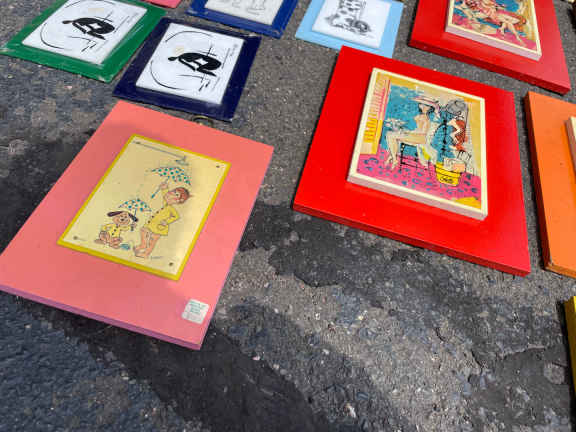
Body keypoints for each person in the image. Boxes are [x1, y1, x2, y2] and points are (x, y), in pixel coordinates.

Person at [134, 182, 190, 259]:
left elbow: (176, 216)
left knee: (152, 241)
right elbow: (165, 195)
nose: (172, 193)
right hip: (153, 224)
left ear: (178, 201)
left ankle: (146, 253)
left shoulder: (171, 208)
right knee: (143, 230)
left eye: (176, 194)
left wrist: (166, 222)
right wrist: (164, 188)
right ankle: (143, 245)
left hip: (160, 227)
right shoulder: (166, 204)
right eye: (174, 191)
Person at [385, 96, 439, 169]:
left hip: (421, 138)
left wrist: (409, 132)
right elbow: (416, 128)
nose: (423, 107)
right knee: (390, 134)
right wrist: (406, 131)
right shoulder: (419, 116)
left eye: (426, 106)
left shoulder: (427, 118)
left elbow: (423, 133)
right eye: (421, 104)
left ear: (430, 108)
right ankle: (393, 157)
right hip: (415, 136)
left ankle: (393, 158)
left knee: (392, 135)